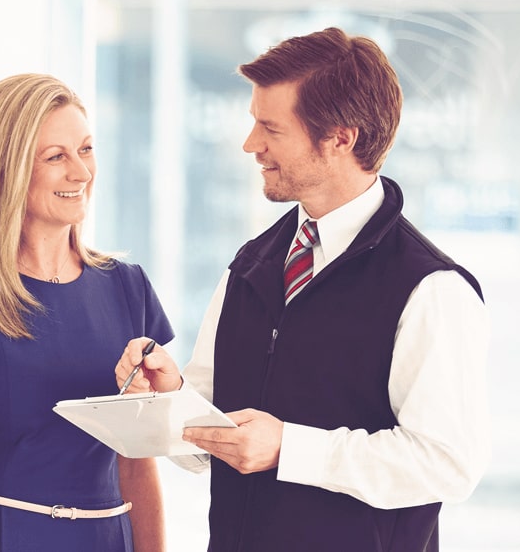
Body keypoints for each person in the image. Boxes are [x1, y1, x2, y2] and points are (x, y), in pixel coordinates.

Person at [115, 27, 490, 551]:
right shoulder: (250, 266)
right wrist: (170, 396)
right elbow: (201, 448)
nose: (251, 145)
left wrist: (289, 448)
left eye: (271, 128)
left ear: (341, 137)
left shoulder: (430, 289)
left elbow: (447, 464)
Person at [0, 73, 174, 551]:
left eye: (86, 149)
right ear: (5, 170)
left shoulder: (128, 288)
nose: (82, 173)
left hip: (107, 539)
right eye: (56, 157)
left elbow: (138, 464)